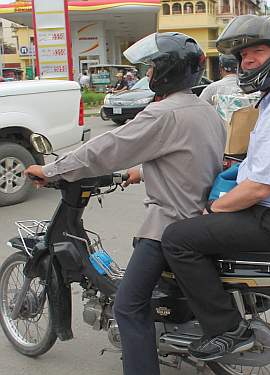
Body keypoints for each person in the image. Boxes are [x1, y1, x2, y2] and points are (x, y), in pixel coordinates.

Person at [24, 32, 226, 375]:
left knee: (128, 306)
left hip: (169, 225)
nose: (147, 75)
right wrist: (142, 170)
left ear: (167, 71)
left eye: (151, 68)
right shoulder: (205, 110)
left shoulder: (162, 114)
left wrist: (51, 170)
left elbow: (105, 149)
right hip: (200, 217)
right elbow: (188, 159)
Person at [161, 14, 270, 361]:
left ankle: (226, 330)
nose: (248, 61)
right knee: (203, 229)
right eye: (243, 56)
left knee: (178, 238)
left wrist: (213, 208)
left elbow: (260, 188)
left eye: (257, 51)